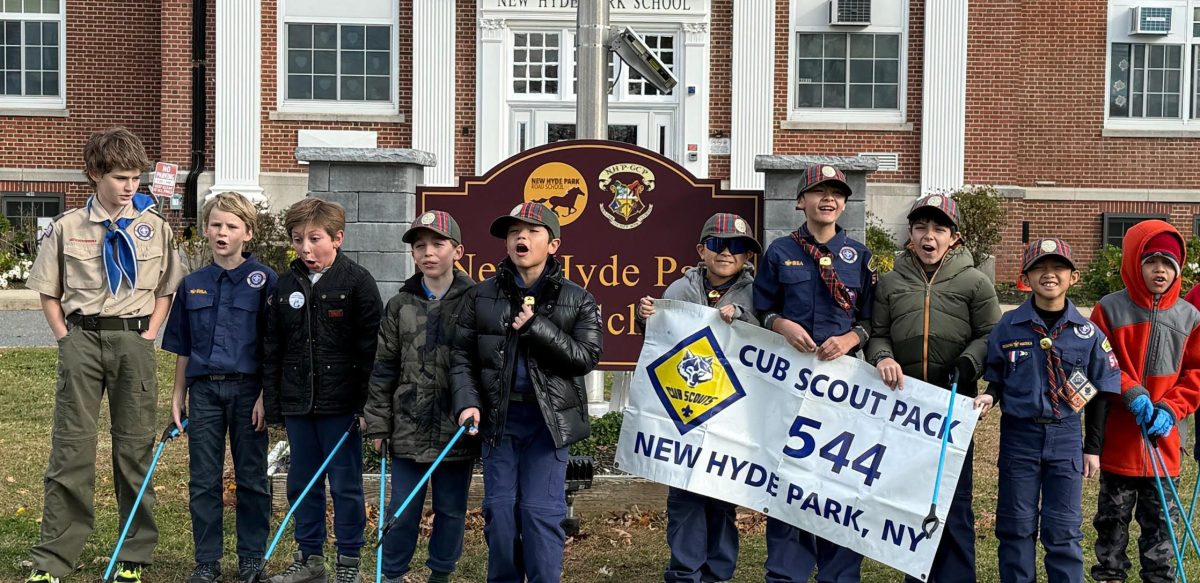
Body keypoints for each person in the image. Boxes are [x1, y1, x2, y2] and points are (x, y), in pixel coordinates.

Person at [24, 127, 183, 583]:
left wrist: (150, 331)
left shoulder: (155, 227)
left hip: (133, 342)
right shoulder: (67, 226)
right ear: (95, 173)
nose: (130, 186)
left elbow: (166, 287)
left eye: (135, 178)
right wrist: (64, 336)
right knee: (71, 448)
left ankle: (134, 553)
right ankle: (55, 557)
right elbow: (49, 290)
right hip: (82, 341)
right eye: (120, 177)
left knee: (134, 448)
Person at [451, 201, 603, 583]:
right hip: (499, 424)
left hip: (547, 426)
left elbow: (586, 357)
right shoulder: (480, 296)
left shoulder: (579, 299)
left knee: (540, 514)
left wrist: (538, 328)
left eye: (533, 231)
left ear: (553, 245)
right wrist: (468, 403)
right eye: (514, 232)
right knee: (500, 514)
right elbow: (461, 358)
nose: (522, 237)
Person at [866, 195, 1000, 582]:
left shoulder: (975, 281)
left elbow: (991, 334)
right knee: (914, 498)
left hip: (954, 404)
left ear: (954, 237)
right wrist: (882, 357)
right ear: (910, 234)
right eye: (921, 227)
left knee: (954, 500)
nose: (929, 236)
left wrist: (969, 362)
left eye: (939, 229)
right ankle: (918, 574)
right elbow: (877, 333)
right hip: (906, 404)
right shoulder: (891, 282)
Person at [753, 164, 875, 583]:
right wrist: (781, 325)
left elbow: (872, 321)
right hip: (790, 388)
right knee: (790, 477)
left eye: (836, 193)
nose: (828, 199)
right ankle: (786, 573)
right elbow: (761, 310)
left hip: (843, 392)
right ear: (800, 201)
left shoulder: (859, 257)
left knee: (840, 480)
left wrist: (850, 339)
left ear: (844, 203)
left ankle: (839, 574)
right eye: (819, 191)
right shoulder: (779, 252)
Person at [977, 238, 1120, 583]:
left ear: (1074, 277)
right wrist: (990, 396)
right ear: (1026, 277)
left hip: (1065, 437)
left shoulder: (1088, 334)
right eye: (1039, 268)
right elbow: (997, 374)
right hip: (1019, 436)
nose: (1049, 274)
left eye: (1058, 267)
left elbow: (1101, 392)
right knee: (1015, 526)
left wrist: (1092, 447)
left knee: (1064, 530)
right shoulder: (1009, 326)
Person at [261, 197, 383, 583]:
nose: (305, 248)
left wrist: (366, 406)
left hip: (341, 406)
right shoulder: (284, 286)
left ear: (337, 238)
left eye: (314, 239)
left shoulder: (357, 282)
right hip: (299, 404)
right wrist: (275, 405)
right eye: (297, 239)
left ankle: (349, 562)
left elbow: (371, 350)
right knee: (302, 482)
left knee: (345, 484)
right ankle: (309, 558)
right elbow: (272, 348)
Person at [636, 212, 760, 583]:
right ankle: (685, 572)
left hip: (733, 412)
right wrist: (647, 318)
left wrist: (744, 317)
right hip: (685, 411)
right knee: (685, 496)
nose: (726, 253)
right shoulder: (678, 290)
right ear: (701, 250)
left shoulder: (757, 292)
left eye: (737, 247)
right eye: (717, 244)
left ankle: (718, 574)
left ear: (747, 256)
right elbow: (660, 344)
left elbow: (770, 333)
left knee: (721, 497)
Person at [161, 192, 276, 583]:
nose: (222, 233)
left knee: (252, 478)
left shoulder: (265, 281)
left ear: (248, 232)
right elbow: (183, 345)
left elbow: (273, 346)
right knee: (203, 478)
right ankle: (207, 560)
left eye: (231, 226)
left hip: (248, 392)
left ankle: (251, 558)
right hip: (205, 393)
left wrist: (265, 395)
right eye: (215, 225)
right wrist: (178, 395)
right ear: (206, 230)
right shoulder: (192, 284)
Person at [365, 210, 477, 583]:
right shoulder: (400, 304)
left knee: (451, 509)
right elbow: (383, 368)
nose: (428, 253)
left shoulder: (476, 301)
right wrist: (378, 424)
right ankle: (393, 573)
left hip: (454, 428)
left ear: (457, 251)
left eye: (437, 244)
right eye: (419, 246)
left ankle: (440, 573)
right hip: (407, 428)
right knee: (402, 509)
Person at [1088, 221, 1200, 583]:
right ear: (1134, 261)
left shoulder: (1190, 318)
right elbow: (1100, 361)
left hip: (1164, 448)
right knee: (1111, 530)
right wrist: (1130, 391)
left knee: (1161, 535)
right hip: (1119, 447)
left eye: (1169, 264)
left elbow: (1196, 374)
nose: (1160, 270)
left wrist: (1171, 408)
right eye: (1151, 261)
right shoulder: (1108, 309)